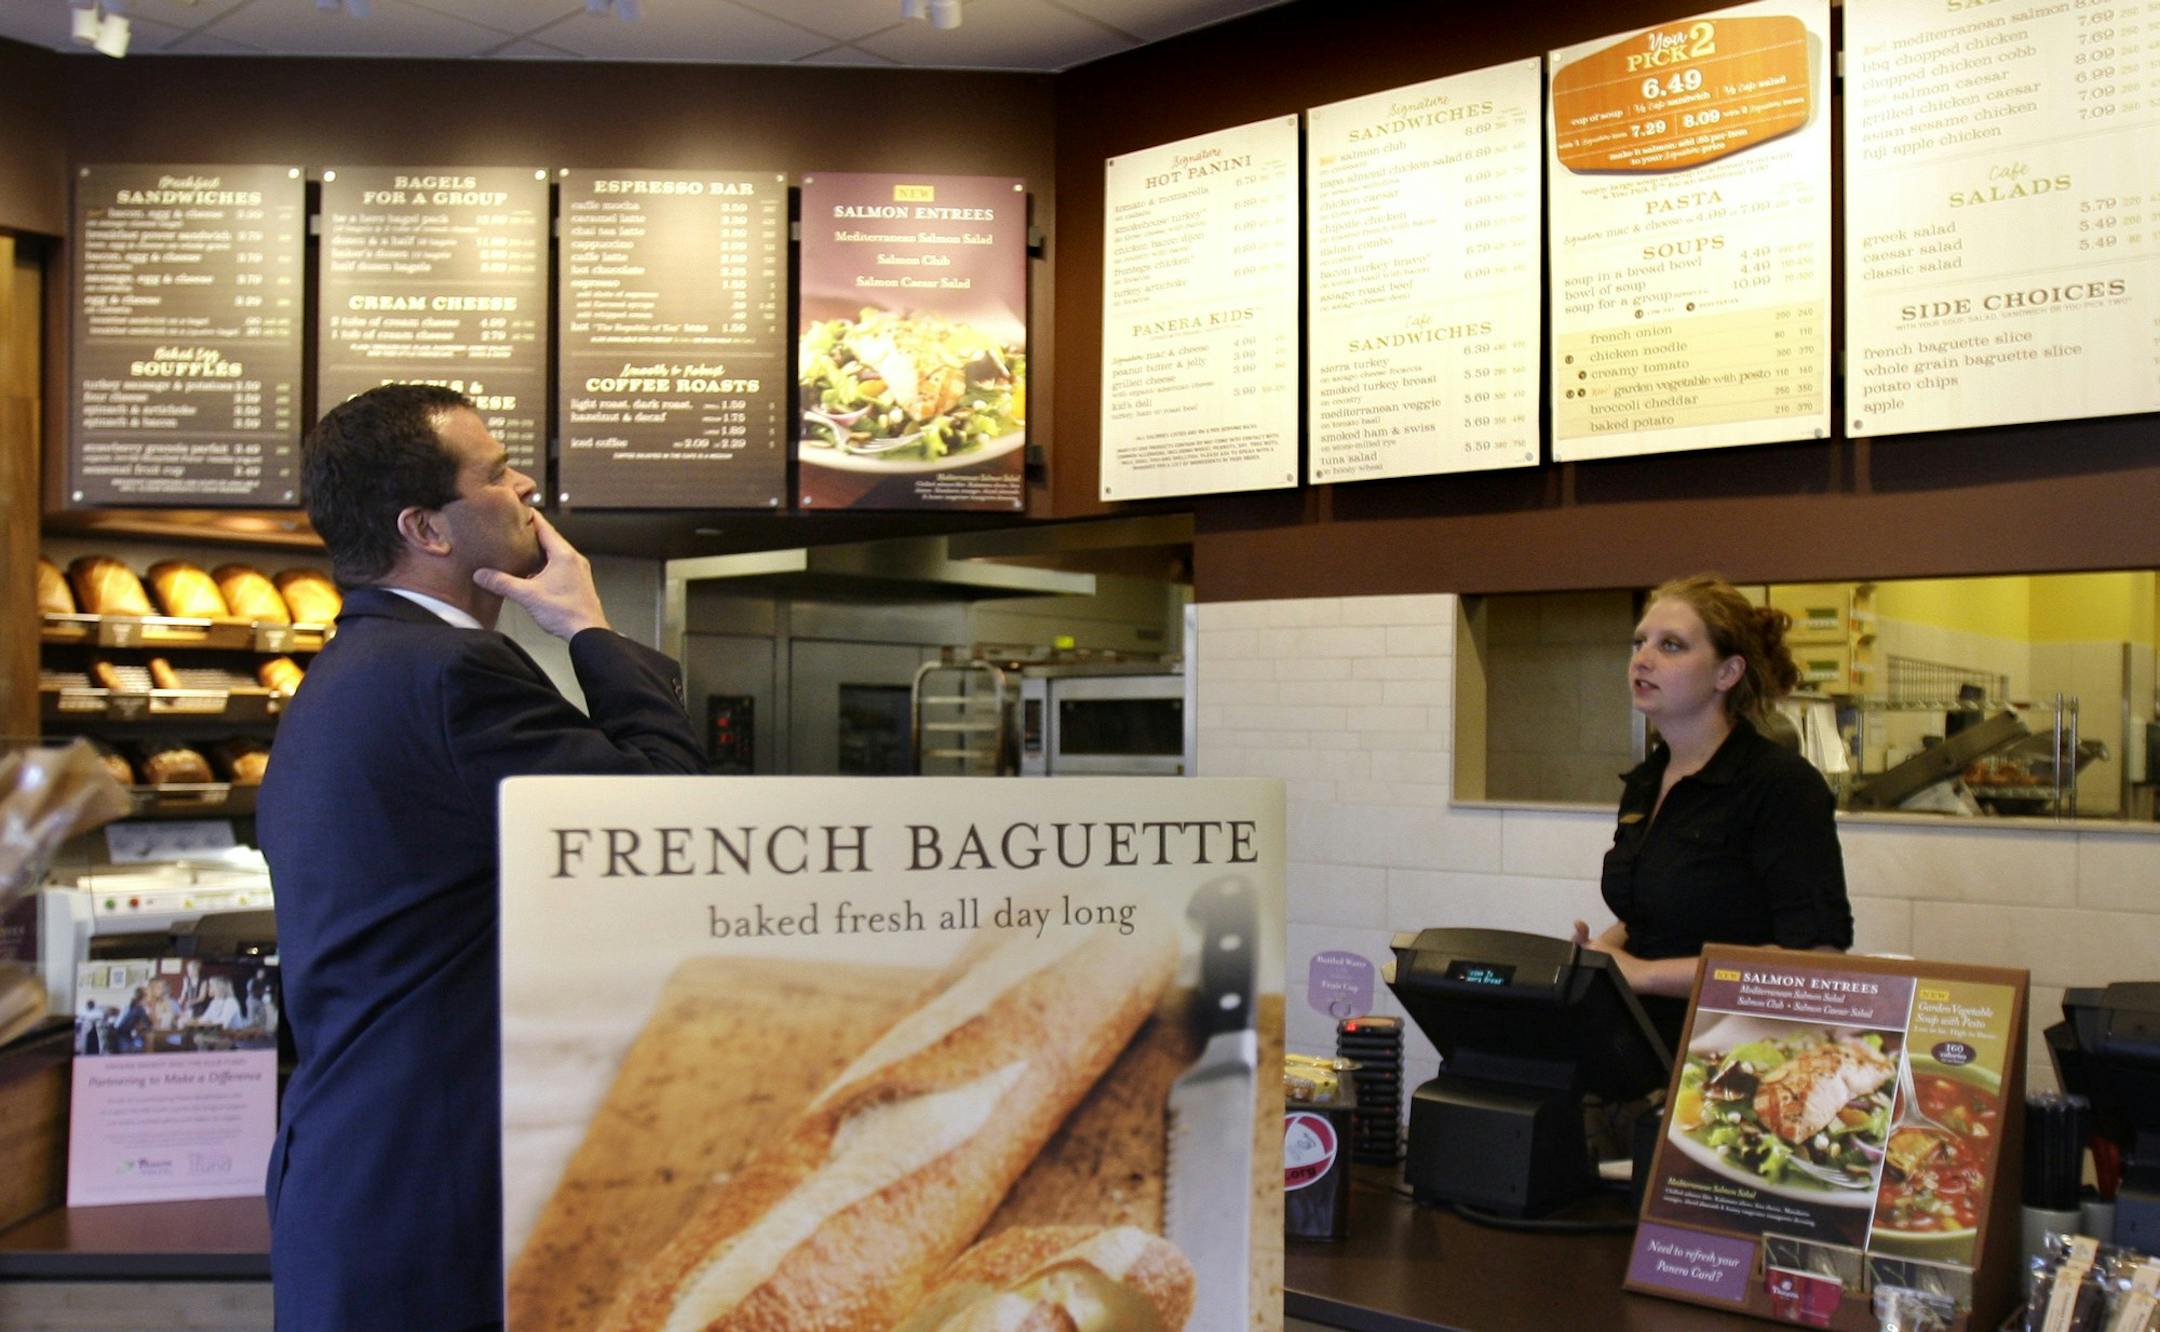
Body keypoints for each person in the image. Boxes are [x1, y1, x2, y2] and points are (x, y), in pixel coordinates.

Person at [257, 383, 704, 1331]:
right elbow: (668, 821)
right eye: (496, 473)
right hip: (434, 1198)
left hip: (361, 1179)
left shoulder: (348, 671)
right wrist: (589, 628)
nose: (527, 485)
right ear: (428, 527)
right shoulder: (451, 675)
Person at [1572, 573, 1853, 1046]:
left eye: (1672, 645)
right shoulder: (1647, 781)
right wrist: (1602, 956)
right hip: (1641, 1039)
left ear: (1728, 673)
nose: (1643, 658)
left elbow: (1812, 960)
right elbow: (1653, 914)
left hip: (1738, 1052)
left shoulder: (1780, 787)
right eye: (1640, 642)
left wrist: (1643, 974)